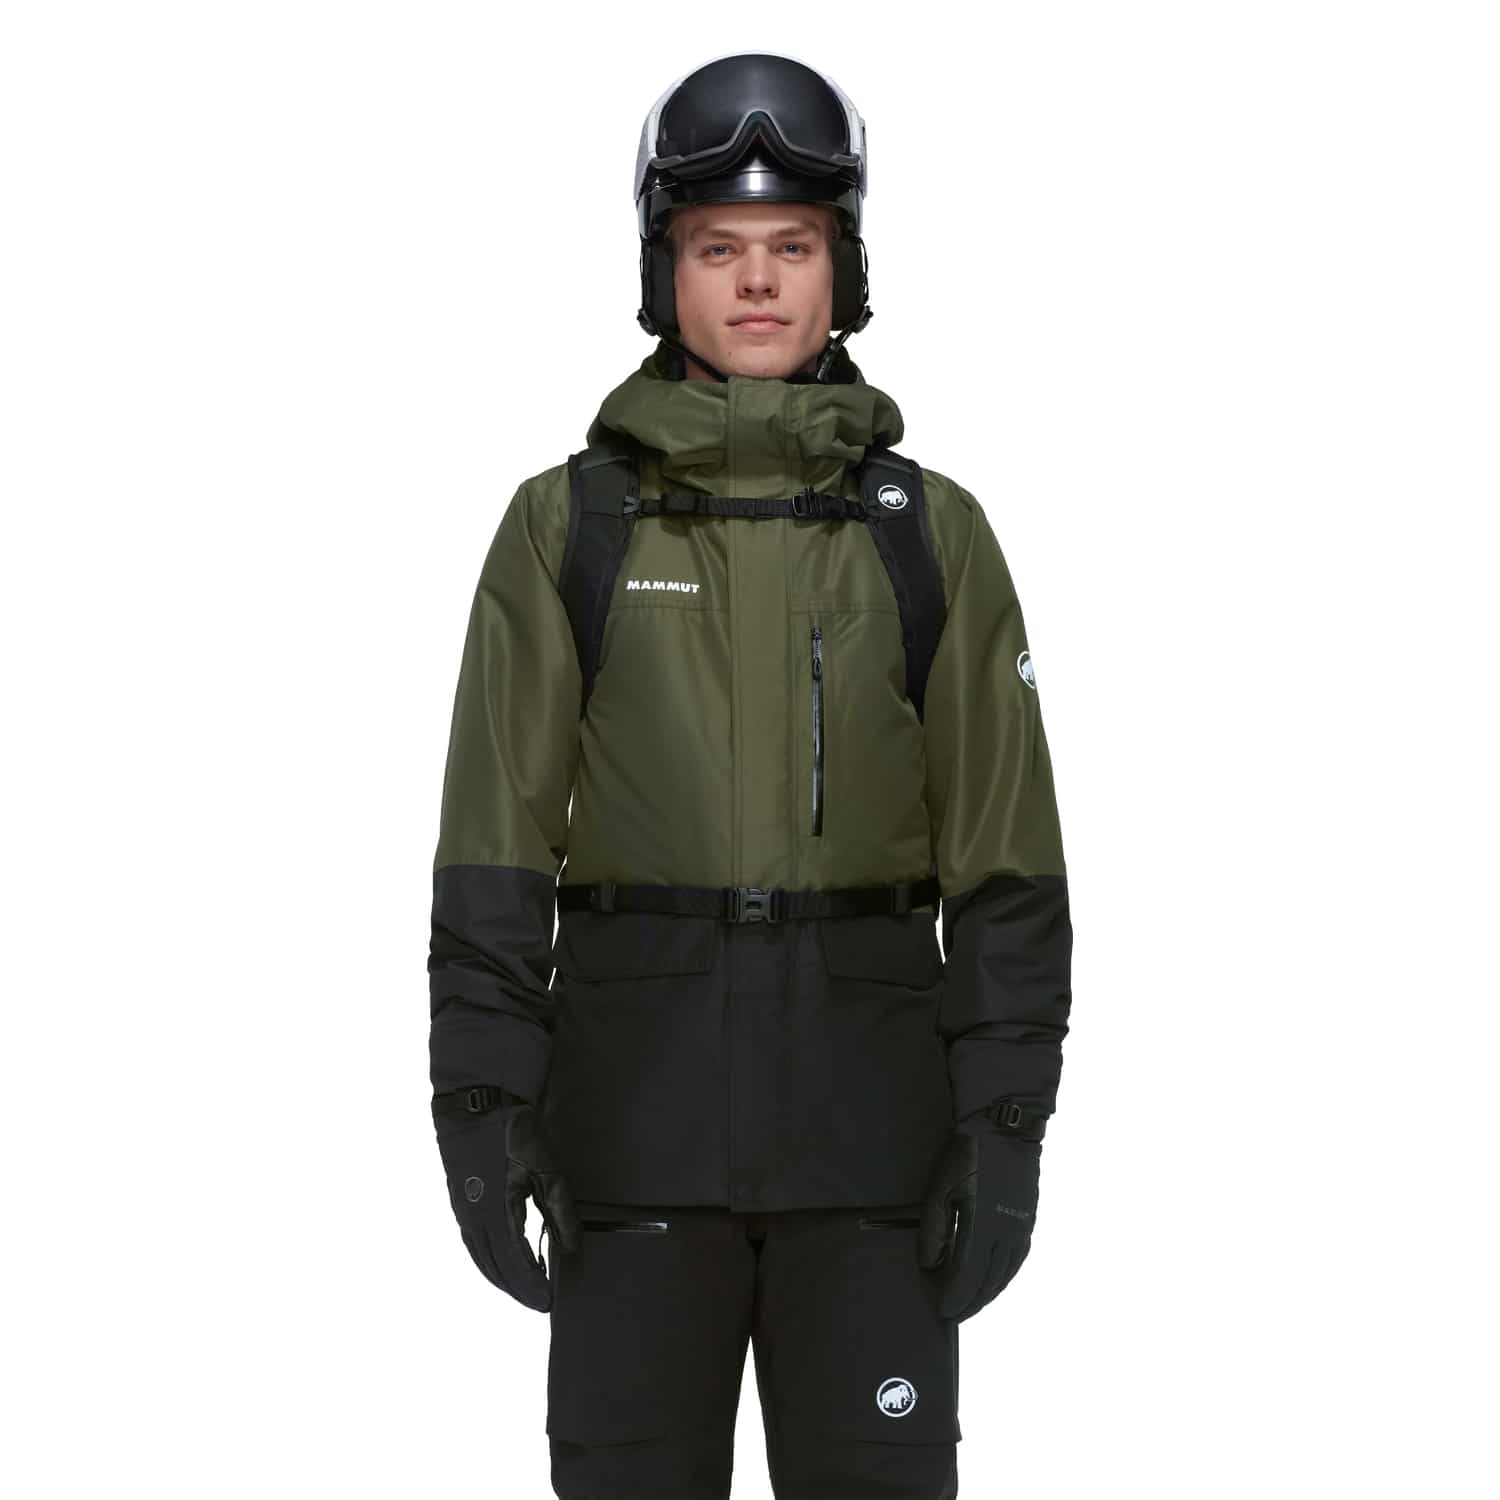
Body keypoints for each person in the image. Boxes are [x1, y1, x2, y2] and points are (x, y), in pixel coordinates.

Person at [427, 50, 1073, 1500]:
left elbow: (1008, 859)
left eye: (795, 245)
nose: (761, 282)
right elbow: (493, 848)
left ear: (848, 268)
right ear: (663, 271)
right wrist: (480, 1106)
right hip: (631, 1145)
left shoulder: (929, 533)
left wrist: (1005, 1121)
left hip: (873, 1155)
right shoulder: (568, 529)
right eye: (720, 248)